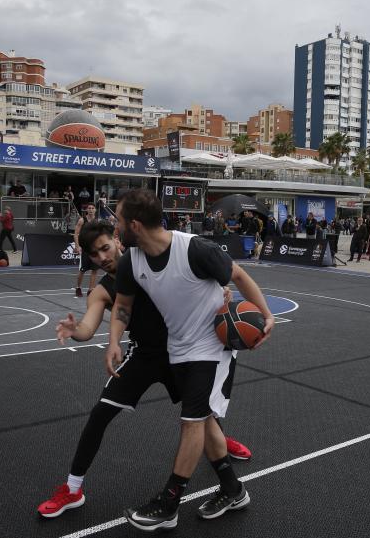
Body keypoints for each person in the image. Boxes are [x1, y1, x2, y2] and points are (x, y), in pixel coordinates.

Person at [37, 221, 252, 518]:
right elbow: (89, 327)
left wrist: (221, 290)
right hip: (143, 357)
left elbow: (193, 278)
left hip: (182, 350)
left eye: (105, 247)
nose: (102, 257)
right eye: (95, 254)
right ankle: (72, 489)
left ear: (116, 240)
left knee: (201, 417)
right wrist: (75, 331)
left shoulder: (146, 260)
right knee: (100, 414)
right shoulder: (103, 290)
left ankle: (218, 447)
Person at [107, 189, 274, 531]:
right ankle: (233, 489)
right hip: (179, 348)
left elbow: (238, 276)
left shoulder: (194, 249)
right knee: (206, 421)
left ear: (135, 225)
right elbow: (122, 305)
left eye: (118, 220)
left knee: (192, 421)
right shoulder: (131, 261)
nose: (115, 226)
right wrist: (113, 341)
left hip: (212, 346)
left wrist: (266, 314)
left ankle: (169, 502)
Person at [74, 203, 99, 297]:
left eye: (93, 208)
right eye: (89, 208)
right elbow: (76, 234)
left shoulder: (97, 221)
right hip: (85, 248)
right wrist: (77, 246)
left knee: (94, 270)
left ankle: (90, 290)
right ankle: (78, 288)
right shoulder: (82, 220)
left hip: (95, 249)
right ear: (87, 210)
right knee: (82, 270)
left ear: (95, 210)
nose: (91, 210)